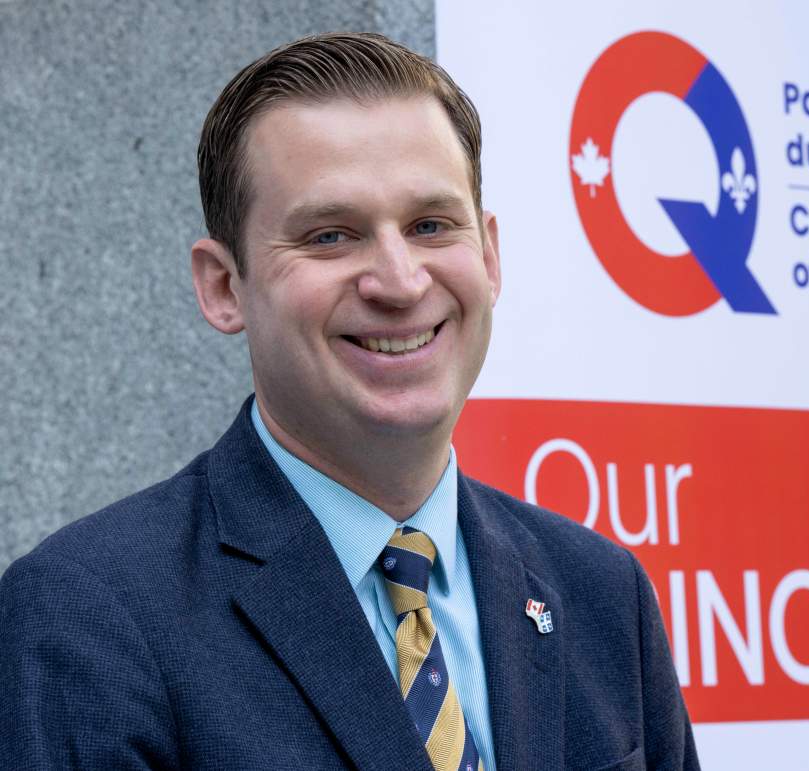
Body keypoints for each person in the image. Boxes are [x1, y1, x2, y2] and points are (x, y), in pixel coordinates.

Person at [0, 32, 698, 770]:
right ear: (222, 286)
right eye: (331, 235)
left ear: (489, 257)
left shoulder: (600, 592)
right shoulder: (84, 618)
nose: (399, 282)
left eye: (431, 225)